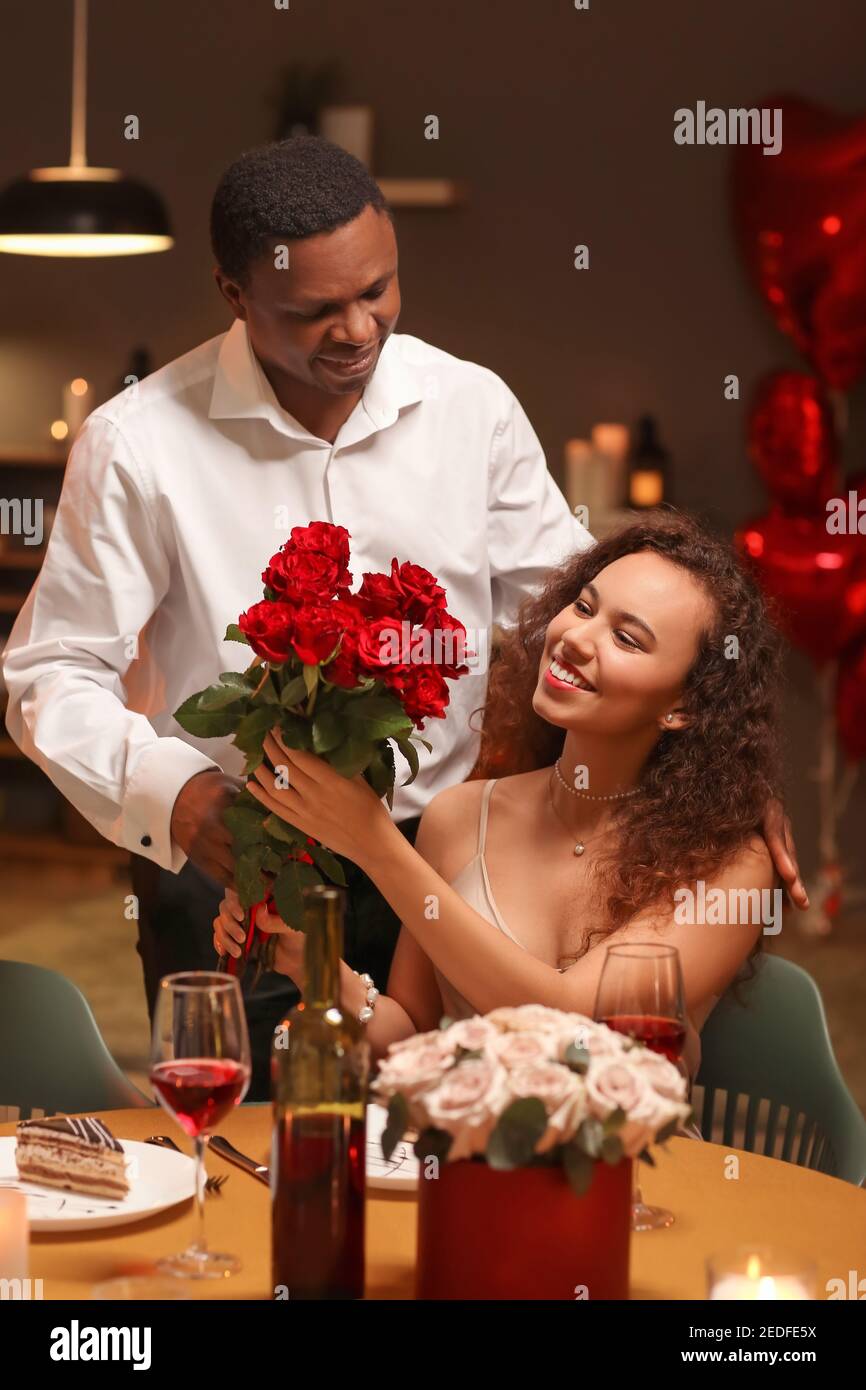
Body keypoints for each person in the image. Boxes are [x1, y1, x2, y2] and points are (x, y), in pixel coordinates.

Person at [2, 136, 594, 1098]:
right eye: (316, 310)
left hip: (438, 865)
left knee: (445, 1132)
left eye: (379, 290)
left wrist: (707, 781)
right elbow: (48, 674)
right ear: (235, 295)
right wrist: (181, 797)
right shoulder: (138, 442)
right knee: (253, 1157)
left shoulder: (470, 408)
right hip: (240, 874)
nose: (359, 328)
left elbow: (571, 612)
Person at [215, 511, 789, 1090]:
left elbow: (567, 1027)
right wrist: (315, 963)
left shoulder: (729, 865)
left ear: (683, 707)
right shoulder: (460, 816)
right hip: (459, 1160)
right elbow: (413, 1041)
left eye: (626, 638)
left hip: (635, 1175)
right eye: (584, 607)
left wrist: (375, 844)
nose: (576, 638)